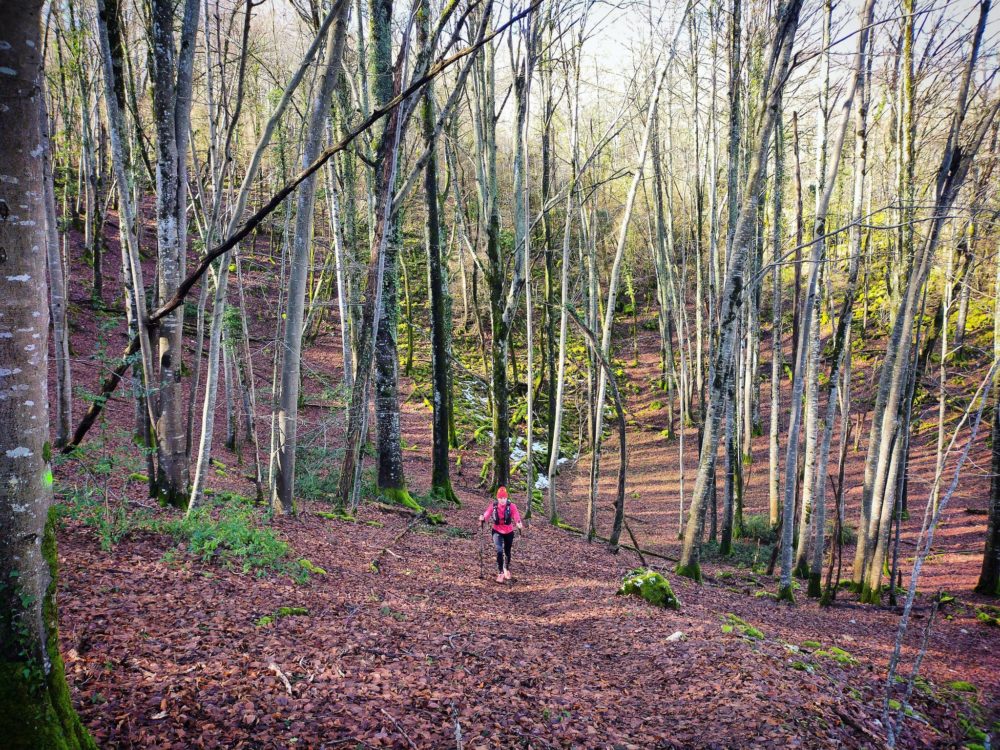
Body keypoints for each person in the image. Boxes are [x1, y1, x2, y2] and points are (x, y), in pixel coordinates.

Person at [480, 486, 523, 583]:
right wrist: (483, 517)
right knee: (499, 550)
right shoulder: (494, 505)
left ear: (507, 497)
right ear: (497, 498)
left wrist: (518, 522)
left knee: (507, 551)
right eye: (500, 498)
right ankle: (500, 572)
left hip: (509, 531)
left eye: (504, 498)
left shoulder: (512, 506)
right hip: (497, 531)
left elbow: (516, 515)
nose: (502, 500)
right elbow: (487, 513)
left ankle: (506, 569)